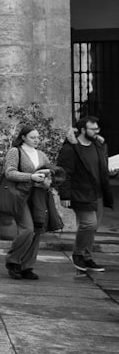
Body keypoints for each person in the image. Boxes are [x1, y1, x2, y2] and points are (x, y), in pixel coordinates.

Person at [57, 116, 116, 273]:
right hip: (80, 192)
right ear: (83, 130)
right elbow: (64, 173)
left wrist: (111, 172)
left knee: (94, 227)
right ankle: (78, 254)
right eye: (93, 129)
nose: (96, 131)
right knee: (89, 223)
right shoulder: (71, 149)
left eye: (97, 128)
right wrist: (64, 195)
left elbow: (100, 168)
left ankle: (87, 258)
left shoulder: (99, 145)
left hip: (98, 193)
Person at [2, 125, 53, 280]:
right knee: (27, 229)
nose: (36, 140)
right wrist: (31, 177)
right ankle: (13, 260)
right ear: (23, 137)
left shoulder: (42, 155)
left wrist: (46, 181)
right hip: (20, 195)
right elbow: (9, 172)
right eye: (33, 137)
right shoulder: (15, 151)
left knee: (37, 230)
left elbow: (50, 178)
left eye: (38, 137)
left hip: (38, 196)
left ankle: (27, 266)